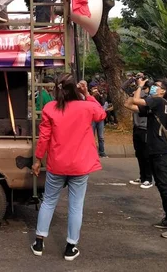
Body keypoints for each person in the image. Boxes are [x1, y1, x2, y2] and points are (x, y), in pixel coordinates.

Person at [31, 74, 107, 261]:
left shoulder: (50, 108)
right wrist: (87, 93)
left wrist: (38, 160)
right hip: (80, 165)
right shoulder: (87, 106)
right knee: (76, 206)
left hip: (57, 163)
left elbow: (44, 138)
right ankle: (70, 247)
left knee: (48, 201)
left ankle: (39, 242)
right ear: (76, 89)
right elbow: (102, 113)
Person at [124, 78, 167, 239]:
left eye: (156, 86)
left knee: (165, 187)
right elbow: (129, 104)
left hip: (161, 150)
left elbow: (137, 100)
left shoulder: (159, 102)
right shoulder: (156, 105)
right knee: (161, 185)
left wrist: (139, 86)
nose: (152, 88)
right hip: (156, 150)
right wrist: (137, 90)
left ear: (163, 91)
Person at [129, 82, 154, 189]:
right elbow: (124, 89)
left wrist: (140, 86)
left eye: (144, 88)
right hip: (137, 128)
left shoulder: (150, 99)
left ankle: (148, 179)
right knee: (139, 154)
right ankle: (142, 177)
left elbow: (135, 100)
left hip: (146, 129)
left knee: (146, 155)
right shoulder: (138, 96)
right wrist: (135, 81)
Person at [90, 86, 108, 158]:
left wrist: (100, 96)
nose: (96, 92)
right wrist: (92, 96)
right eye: (94, 91)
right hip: (92, 119)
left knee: (101, 137)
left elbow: (104, 104)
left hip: (100, 120)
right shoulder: (89, 99)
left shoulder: (101, 98)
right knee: (91, 136)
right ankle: (91, 152)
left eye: (97, 91)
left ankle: (102, 152)